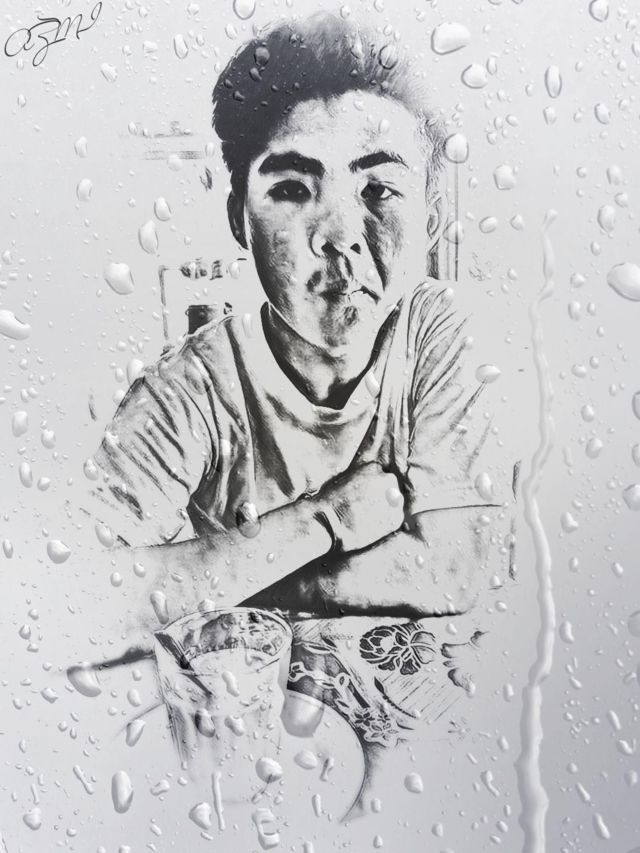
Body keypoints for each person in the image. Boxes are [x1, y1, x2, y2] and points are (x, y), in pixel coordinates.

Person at [83, 12, 514, 749]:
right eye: (290, 188)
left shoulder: (441, 332)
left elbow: (454, 566)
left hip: (429, 757)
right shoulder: (189, 390)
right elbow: (69, 601)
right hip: (247, 755)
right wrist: (327, 519)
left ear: (432, 214)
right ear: (239, 219)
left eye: (380, 190)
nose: (339, 235)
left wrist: (220, 580)